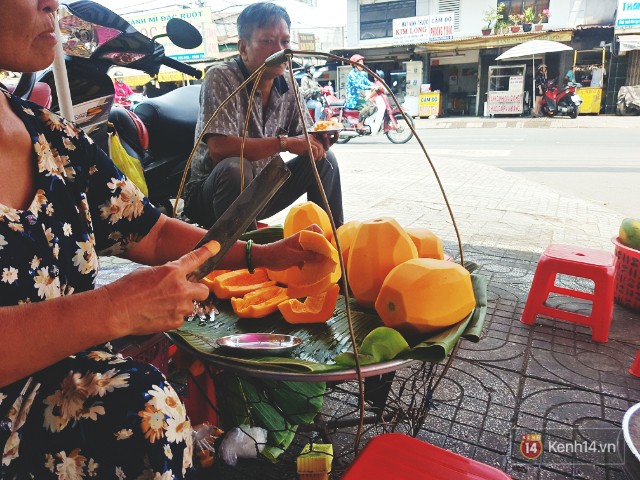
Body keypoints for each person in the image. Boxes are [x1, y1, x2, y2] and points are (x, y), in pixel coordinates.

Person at [0, 0, 320, 477]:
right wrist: (114, 309)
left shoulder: (52, 136)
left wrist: (260, 255)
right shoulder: (223, 78)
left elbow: (148, 230)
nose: (52, 4)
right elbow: (219, 148)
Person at [184, 2, 343, 231]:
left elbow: (304, 136)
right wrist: (285, 144)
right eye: (267, 41)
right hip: (212, 196)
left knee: (325, 160)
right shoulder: (222, 77)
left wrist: (319, 140)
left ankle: (333, 244)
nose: (280, 50)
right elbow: (220, 149)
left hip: (262, 192)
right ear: (243, 47)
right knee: (235, 168)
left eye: (285, 42)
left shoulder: (288, 83)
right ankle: (247, 256)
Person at [345, 54, 377, 130]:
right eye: (361, 63)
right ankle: (359, 125)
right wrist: (370, 87)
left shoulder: (360, 74)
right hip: (353, 99)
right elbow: (358, 85)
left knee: (374, 107)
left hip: (359, 98)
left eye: (363, 63)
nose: (362, 65)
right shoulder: (352, 74)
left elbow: (367, 82)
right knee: (367, 107)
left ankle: (363, 121)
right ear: (355, 64)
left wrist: (376, 85)